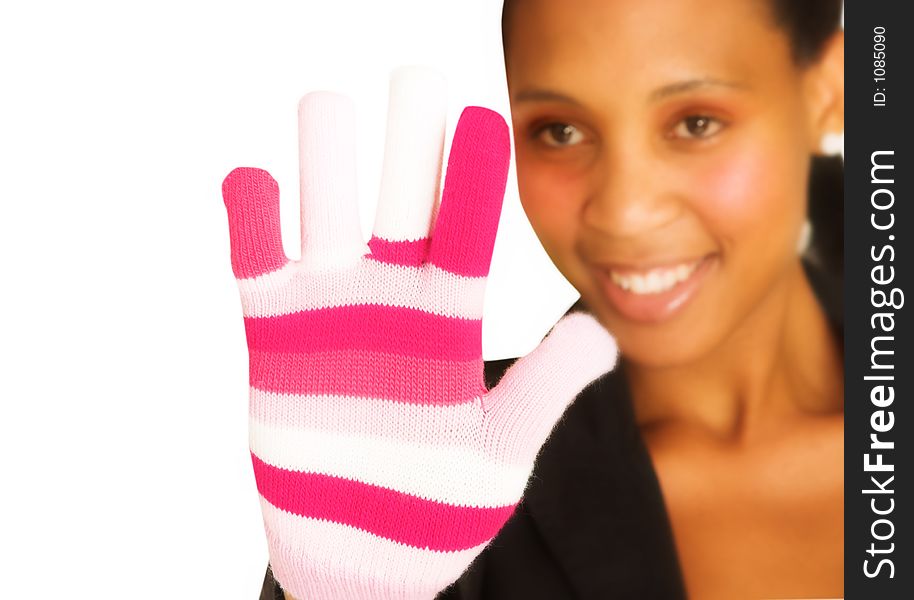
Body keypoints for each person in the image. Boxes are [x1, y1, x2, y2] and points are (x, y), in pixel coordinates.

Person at [250, 0, 845, 597]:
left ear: (829, 91)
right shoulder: (426, 452)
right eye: (561, 131)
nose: (624, 212)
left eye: (695, 123)